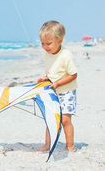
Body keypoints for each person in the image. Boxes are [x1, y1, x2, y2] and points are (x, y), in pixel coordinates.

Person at [37, 21, 78, 152]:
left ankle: (70, 146)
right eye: (43, 43)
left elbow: (73, 75)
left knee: (65, 121)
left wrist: (58, 83)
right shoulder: (48, 53)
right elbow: (54, 72)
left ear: (60, 41)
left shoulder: (65, 55)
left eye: (49, 44)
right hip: (53, 91)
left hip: (66, 91)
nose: (45, 47)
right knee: (50, 119)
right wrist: (46, 78)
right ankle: (47, 145)